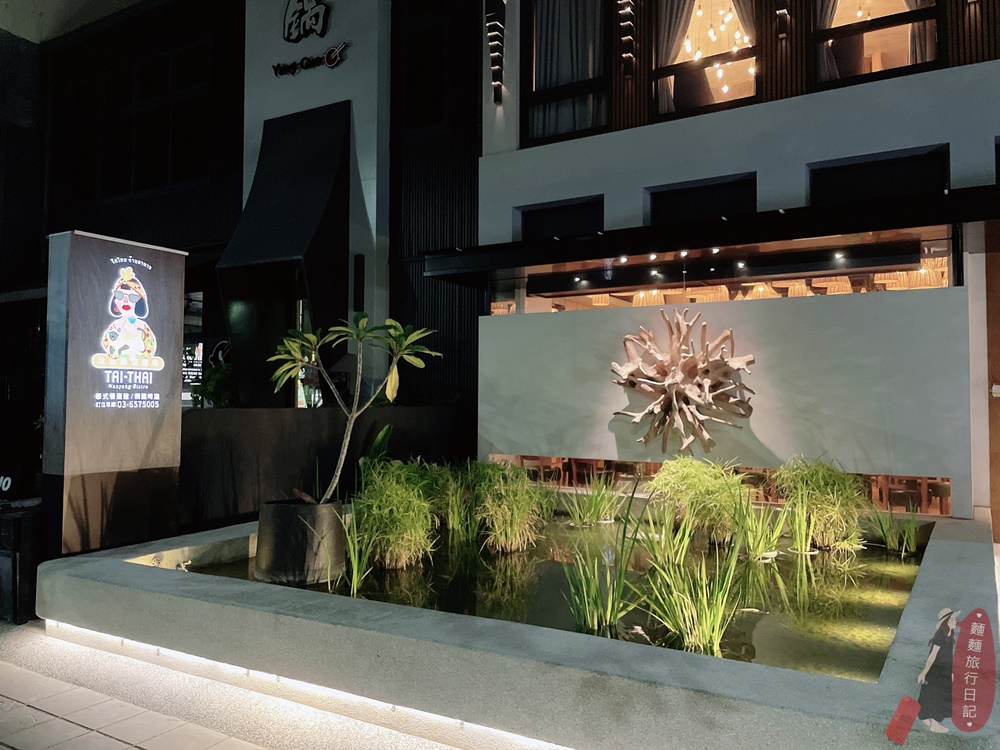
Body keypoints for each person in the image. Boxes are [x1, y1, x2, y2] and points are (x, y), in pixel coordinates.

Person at [916, 608, 960, 733]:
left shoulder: (949, 635)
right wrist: (924, 672)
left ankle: (925, 717)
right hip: (936, 671)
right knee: (938, 696)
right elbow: (932, 655)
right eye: (952, 619)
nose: (955, 621)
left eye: (954, 618)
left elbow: (948, 656)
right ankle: (934, 725)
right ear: (945, 622)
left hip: (944, 671)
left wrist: (951, 672)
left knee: (932, 694)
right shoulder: (941, 636)